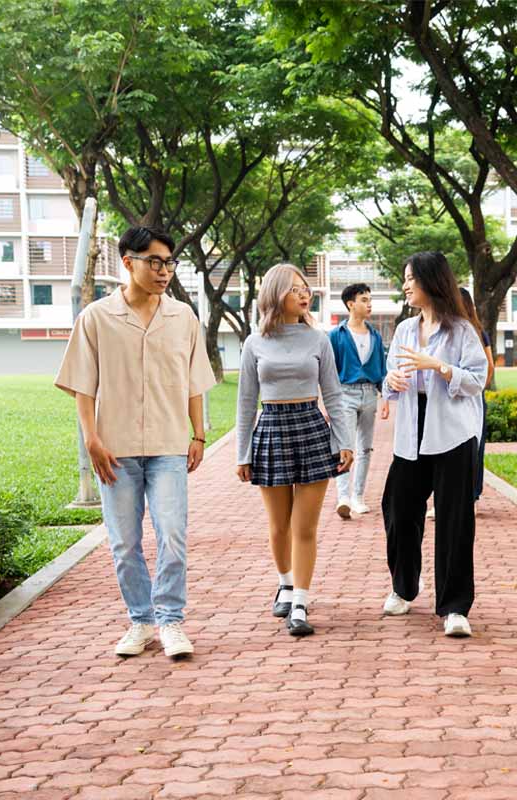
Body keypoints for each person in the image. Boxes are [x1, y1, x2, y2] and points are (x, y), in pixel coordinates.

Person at [55, 225, 215, 660]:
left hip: (168, 445)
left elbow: (193, 382)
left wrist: (199, 433)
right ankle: (141, 620)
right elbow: (83, 386)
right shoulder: (96, 318)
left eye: (169, 262)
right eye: (155, 262)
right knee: (124, 543)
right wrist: (91, 439)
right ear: (129, 263)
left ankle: (171, 621)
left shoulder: (183, 318)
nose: (164, 271)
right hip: (115, 449)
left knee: (173, 536)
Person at [235, 264, 354, 637]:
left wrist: (344, 440)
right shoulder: (254, 343)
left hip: (311, 429)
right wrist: (243, 453)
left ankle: (300, 602)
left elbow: (333, 393)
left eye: (307, 290)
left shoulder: (318, 340)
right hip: (270, 429)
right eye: (295, 290)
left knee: (305, 527)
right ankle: (285, 583)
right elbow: (245, 402)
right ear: (275, 295)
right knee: (278, 526)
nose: (305, 295)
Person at [381, 251, 488, 638]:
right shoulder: (405, 330)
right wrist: (389, 383)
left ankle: (455, 607)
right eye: (404, 278)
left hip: (452, 434)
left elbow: (478, 379)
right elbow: (391, 374)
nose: (406, 285)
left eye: (411, 278)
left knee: (455, 521)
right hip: (411, 433)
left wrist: (439, 367)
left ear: (431, 281)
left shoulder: (461, 331)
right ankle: (404, 588)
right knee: (397, 510)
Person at [328, 283, 387, 518]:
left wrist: (385, 400)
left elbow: (381, 370)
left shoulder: (375, 335)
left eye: (369, 299)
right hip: (344, 394)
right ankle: (343, 497)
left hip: (370, 393)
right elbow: (328, 371)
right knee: (343, 446)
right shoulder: (336, 335)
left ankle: (358, 497)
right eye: (363, 299)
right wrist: (327, 403)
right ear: (350, 304)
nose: (369, 303)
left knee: (365, 448)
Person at [458, 288, 494, 503]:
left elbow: (489, 366)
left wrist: (478, 388)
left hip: (473, 397)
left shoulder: (478, 332)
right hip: (456, 396)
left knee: (475, 448)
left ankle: (473, 496)